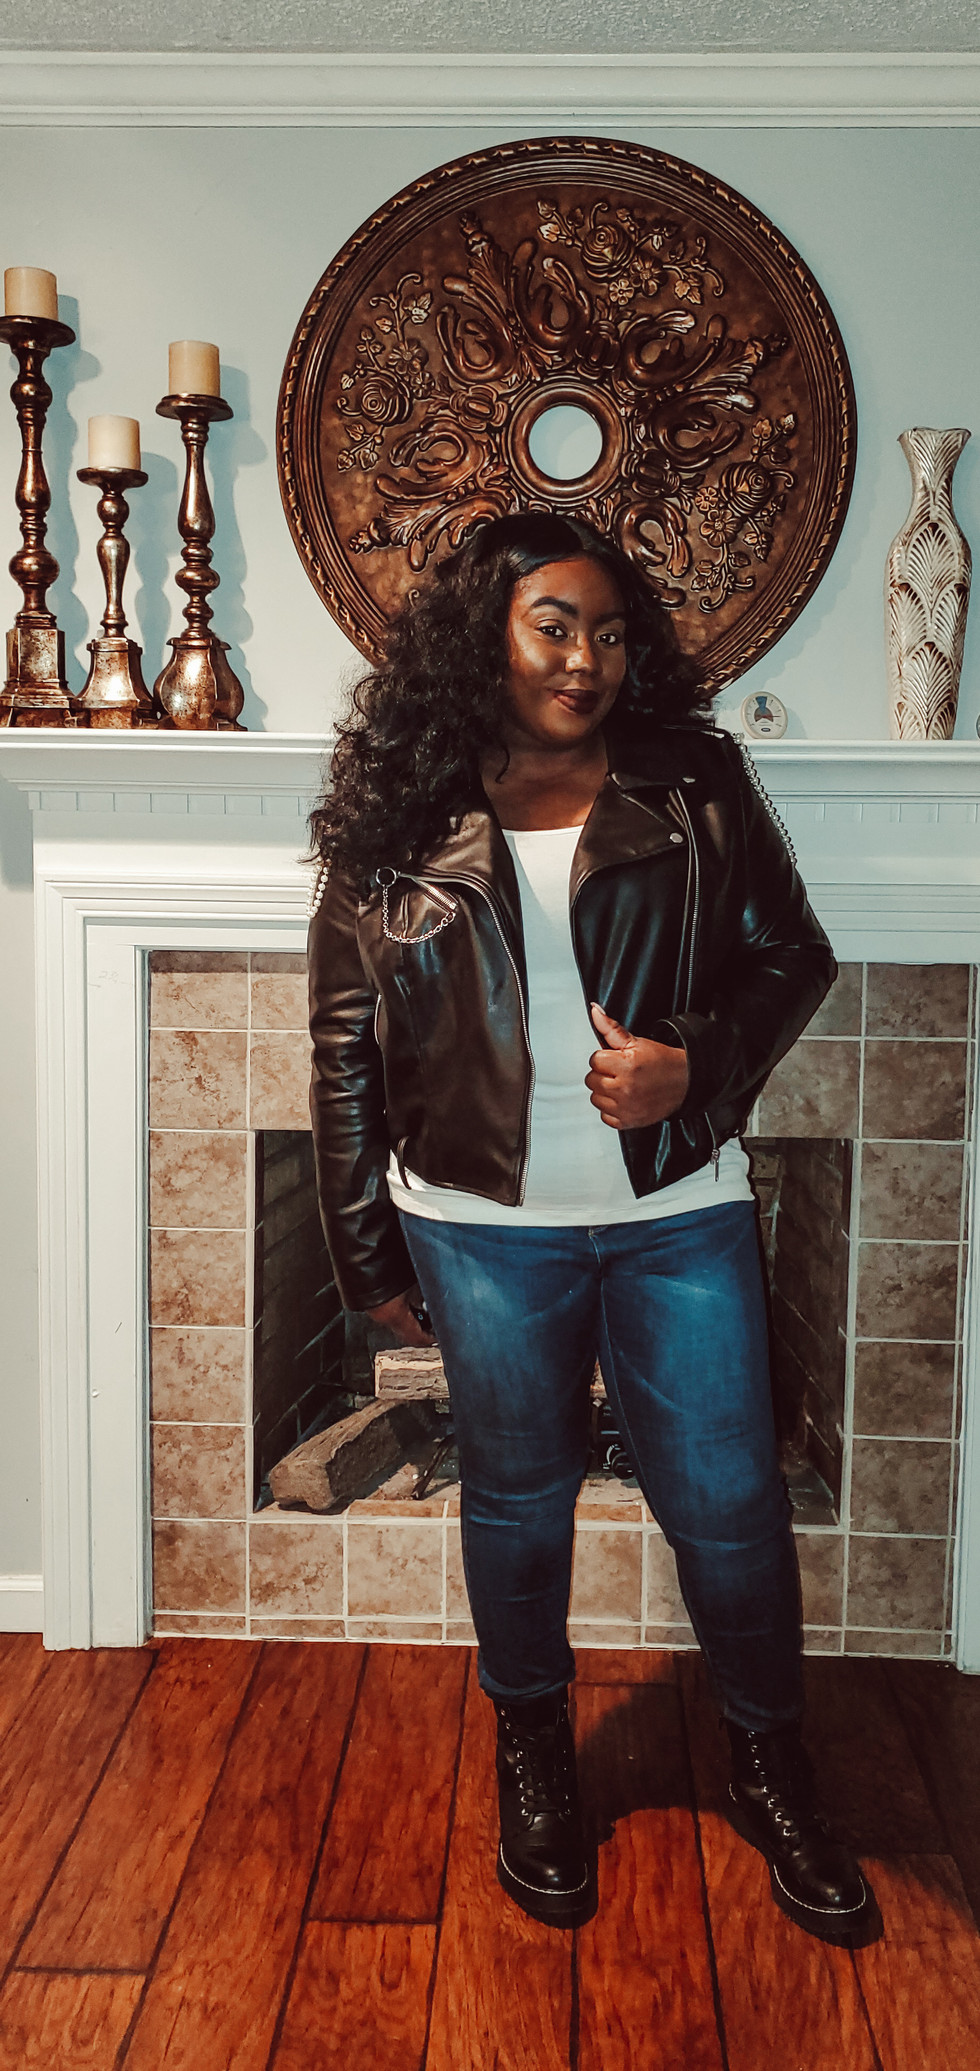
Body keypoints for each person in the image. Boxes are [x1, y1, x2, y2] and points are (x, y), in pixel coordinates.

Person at [307, 512, 878, 1947]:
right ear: (482, 635)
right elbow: (343, 1044)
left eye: (611, 633)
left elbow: (792, 955)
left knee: (731, 1506)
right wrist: (367, 1255)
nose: (587, 660)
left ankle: (770, 1765)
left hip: (676, 1208)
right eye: (554, 626)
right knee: (516, 1499)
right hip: (478, 1227)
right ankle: (536, 1754)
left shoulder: (693, 780)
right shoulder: (402, 801)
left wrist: (697, 1064)